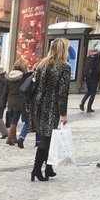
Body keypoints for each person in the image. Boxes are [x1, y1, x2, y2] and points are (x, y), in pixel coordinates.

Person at [27, 37, 71, 182]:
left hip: (37, 104)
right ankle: (36, 170)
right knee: (46, 139)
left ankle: (49, 168)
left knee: (48, 137)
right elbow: (63, 93)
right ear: (63, 50)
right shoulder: (63, 67)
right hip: (51, 106)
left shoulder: (41, 64)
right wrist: (64, 114)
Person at [2, 59, 29, 145]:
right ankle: (10, 138)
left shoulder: (9, 76)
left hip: (10, 101)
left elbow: (5, 92)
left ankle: (14, 138)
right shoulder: (23, 77)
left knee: (13, 118)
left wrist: (3, 103)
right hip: (19, 101)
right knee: (15, 121)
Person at [79, 47, 100, 112]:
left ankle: (82, 103)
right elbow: (98, 70)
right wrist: (98, 78)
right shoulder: (97, 60)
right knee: (93, 93)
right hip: (94, 78)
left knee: (89, 91)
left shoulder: (88, 58)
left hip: (88, 77)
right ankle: (89, 108)